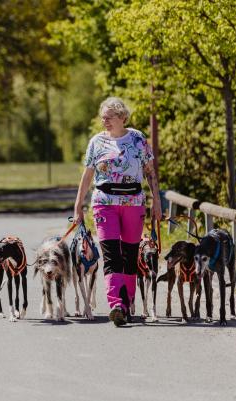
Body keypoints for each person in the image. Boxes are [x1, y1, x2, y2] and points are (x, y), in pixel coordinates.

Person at [73, 97, 162, 326]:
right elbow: (88, 175)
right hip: (104, 201)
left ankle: (128, 300)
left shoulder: (138, 139)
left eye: (109, 117)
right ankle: (117, 305)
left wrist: (157, 201)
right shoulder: (97, 142)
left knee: (130, 254)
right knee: (111, 254)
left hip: (134, 202)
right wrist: (78, 205)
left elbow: (150, 172)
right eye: (103, 117)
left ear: (123, 117)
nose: (105, 121)